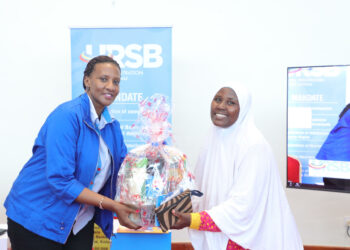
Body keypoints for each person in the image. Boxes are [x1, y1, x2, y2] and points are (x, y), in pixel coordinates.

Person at [4, 55, 140, 250]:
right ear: (87, 81)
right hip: (38, 218)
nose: (111, 86)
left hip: (79, 222)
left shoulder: (112, 126)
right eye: (104, 79)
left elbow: (124, 170)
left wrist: (154, 163)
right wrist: (112, 205)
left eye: (116, 82)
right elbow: (60, 181)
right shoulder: (67, 116)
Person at [171, 83, 303, 249]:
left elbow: (243, 208)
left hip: (254, 240)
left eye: (231, 102)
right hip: (221, 236)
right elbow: (199, 190)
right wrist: (174, 203)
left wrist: (192, 220)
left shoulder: (253, 145)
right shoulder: (213, 138)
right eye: (217, 99)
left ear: (244, 109)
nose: (221, 106)